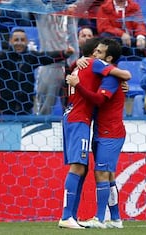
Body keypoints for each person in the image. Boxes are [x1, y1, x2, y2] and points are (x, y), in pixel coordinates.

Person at [58, 37, 131, 229]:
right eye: (95, 51)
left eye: (99, 53)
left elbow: (99, 99)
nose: (94, 56)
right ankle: (108, 218)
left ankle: (103, 218)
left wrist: (77, 73)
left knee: (101, 173)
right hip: (91, 125)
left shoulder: (110, 75)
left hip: (109, 131)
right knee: (98, 172)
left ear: (108, 57)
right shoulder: (96, 68)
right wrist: (77, 62)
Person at [0, 28, 74, 115]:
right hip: (4, 110)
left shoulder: (31, 56)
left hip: (25, 109)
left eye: (22, 40)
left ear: (27, 42)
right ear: (10, 41)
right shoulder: (3, 56)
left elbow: (47, 57)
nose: (19, 43)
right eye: (16, 40)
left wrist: (64, 53)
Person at [34, 2, 80, 115]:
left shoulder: (72, 12)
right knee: (44, 109)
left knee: (72, 110)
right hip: (51, 66)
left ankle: (69, 130)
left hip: (72, 67)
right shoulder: (42, 11)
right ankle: (40, 129)